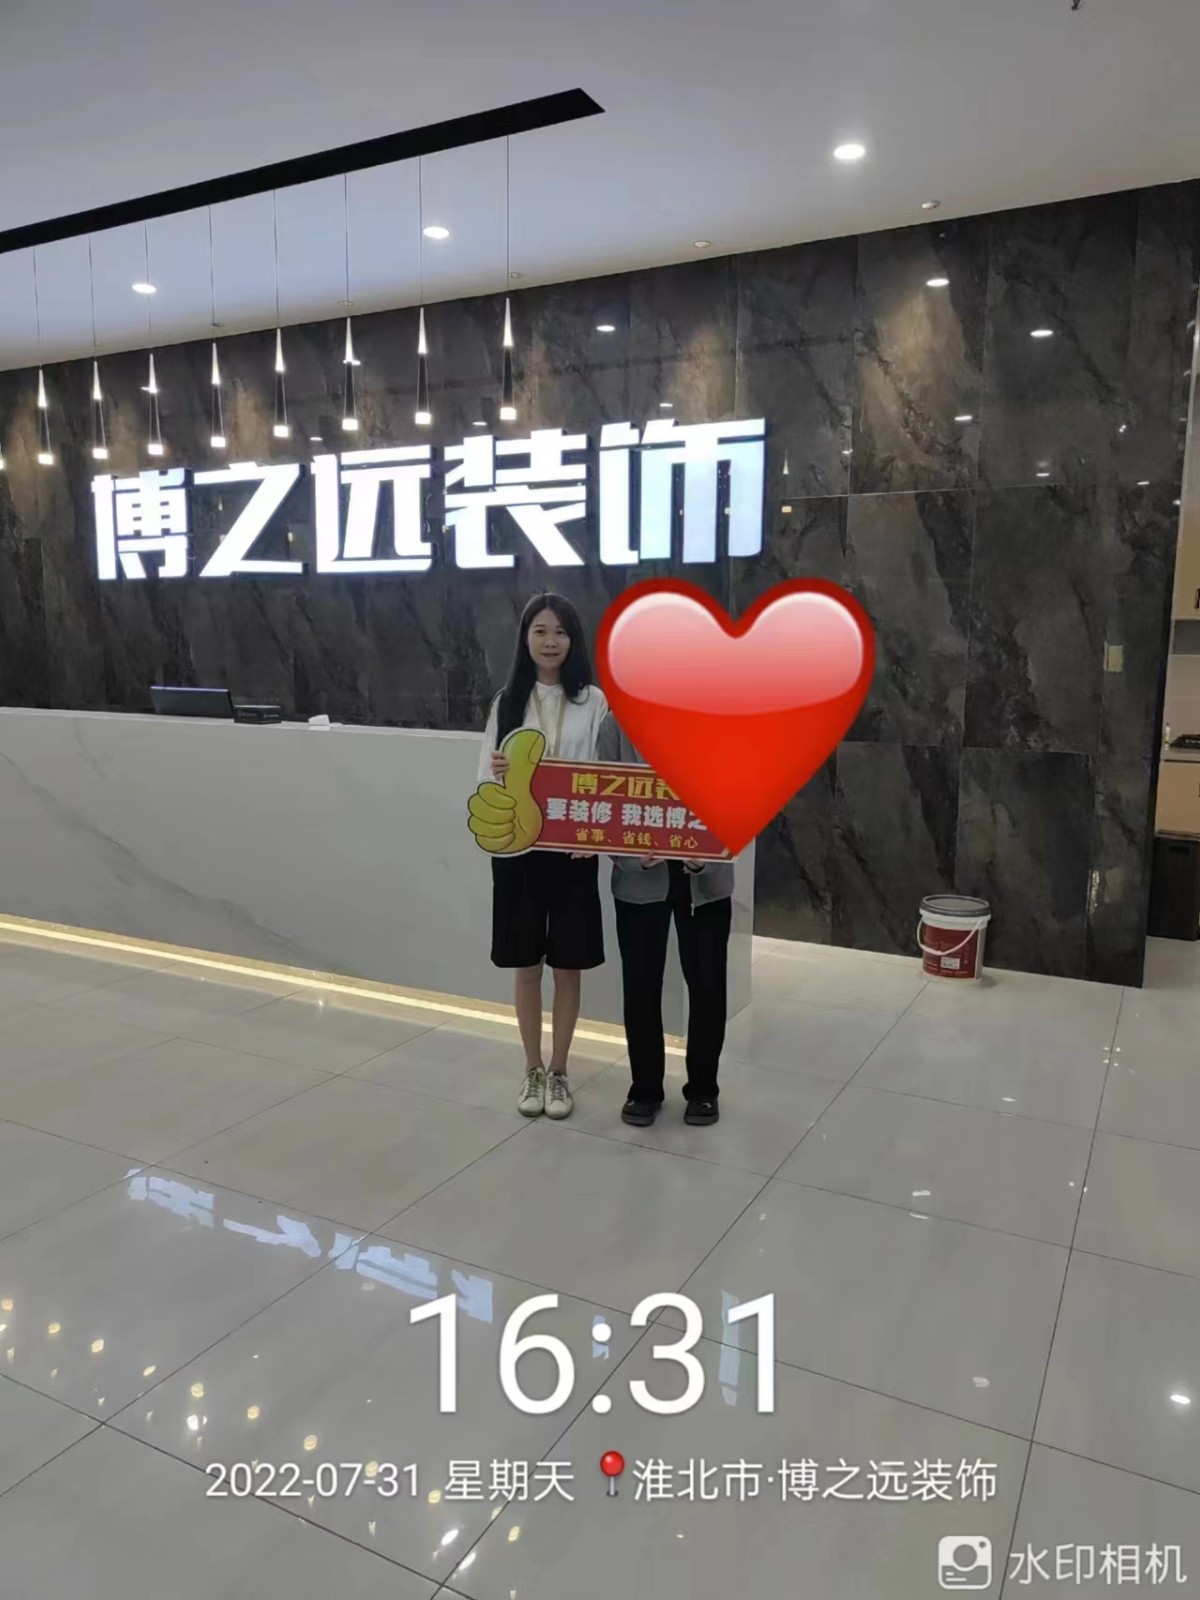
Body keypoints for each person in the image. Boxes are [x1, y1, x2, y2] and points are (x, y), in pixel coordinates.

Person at [479, 593, 608, 1120]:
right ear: (525, 639)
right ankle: (531, 1068)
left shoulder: (593, 701)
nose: (550, 641)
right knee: (527, 963)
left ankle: (559, 1072)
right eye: (540, 631)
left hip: (573, 853)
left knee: (568, 965)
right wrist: (498, 774)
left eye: (560, 631)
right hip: (519, 851)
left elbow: (604, 775)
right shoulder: (507, 701)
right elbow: (484, 779)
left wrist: (591, 835)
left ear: (573, 640)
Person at [596, 710, 733, 1127]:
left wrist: (704, 857)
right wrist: (629, 854)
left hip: (705, 880)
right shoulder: (617, 723)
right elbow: (603, 801)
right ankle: (645, 1089)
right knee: (640, 984)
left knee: (707, 983)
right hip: (640, 878)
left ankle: (704, 1090)